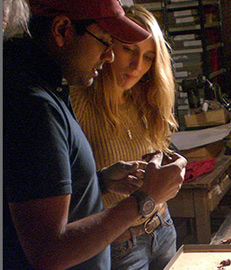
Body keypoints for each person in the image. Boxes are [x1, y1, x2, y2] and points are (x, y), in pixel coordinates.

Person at [3, 0, 187, 269]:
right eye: (104, 40)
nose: (109, 55)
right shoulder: (34, 106)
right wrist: (145, 198)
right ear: (63, 29)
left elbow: (45, 196)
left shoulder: (51, 89)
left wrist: (99, 182)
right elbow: (48, 252)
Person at [71, 4, 179, 270]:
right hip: (119, 244)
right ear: (108, 48)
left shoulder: (147, 100)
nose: (136, 65)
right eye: (129, 49)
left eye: (148, 57)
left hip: (163, 227)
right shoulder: (77, 102)